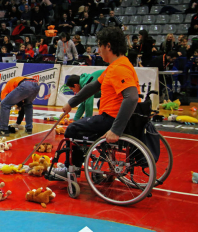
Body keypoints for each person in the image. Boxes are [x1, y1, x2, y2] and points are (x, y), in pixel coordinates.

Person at [57, 27, 141, 177]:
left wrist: (116, 130)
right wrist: (71, 103)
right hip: (111, 116)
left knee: (72, 129)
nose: (98, 50)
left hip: (112, 119)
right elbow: (93, 87)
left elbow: (132, 97)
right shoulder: (115, 66)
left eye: (99, 46)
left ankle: (71, 170)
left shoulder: (119, 68)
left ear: (108, 46)